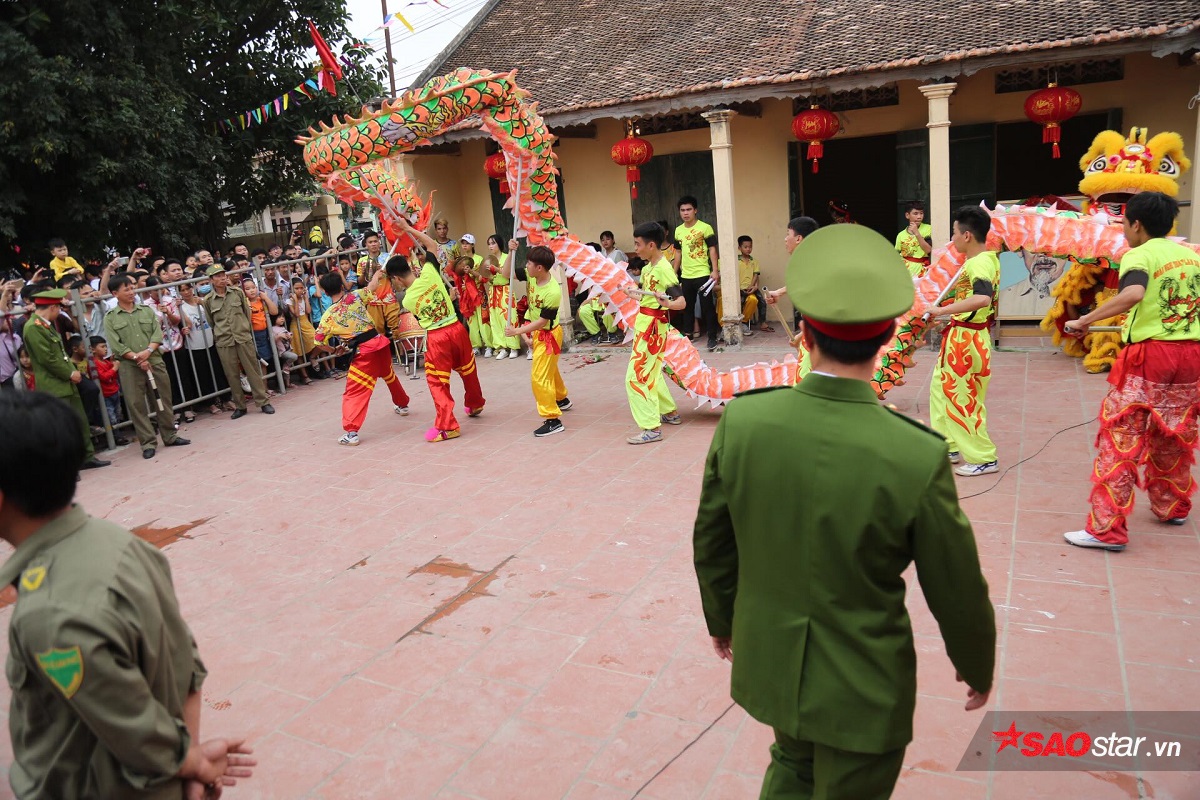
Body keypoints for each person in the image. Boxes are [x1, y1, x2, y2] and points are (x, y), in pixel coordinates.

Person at [692, 224, 995, 800]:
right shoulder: (916, 452)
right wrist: (974, 660)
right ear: (887, 338)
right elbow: (955, 583)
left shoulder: (744, 423)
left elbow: (712, 541)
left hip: (775, 661)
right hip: (864, 681)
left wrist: (723, 620)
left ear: (804, 335)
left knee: (792, 762)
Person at [0, 391, 256, 798]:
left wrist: (193, 764)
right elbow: (184, 665)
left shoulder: (48, 613)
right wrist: (189, 761)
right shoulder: (122, 544)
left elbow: (130, 725)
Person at [1062, 192, 1200, 551]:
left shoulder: (1139, 254)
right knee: (1173, 433)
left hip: (1149, 356)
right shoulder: (1192, 256)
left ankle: (1106, 530)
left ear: (1136, 224)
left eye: (1124, 223)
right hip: (1191, 356)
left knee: (1121, 439)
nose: (1124, 230)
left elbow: (1134, 293)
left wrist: (1086, 320)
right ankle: (1172, 507)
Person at [389, 217, 485, 442]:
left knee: (437, 382)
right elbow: (432, 245)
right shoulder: (430, 272)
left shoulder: (408, 300)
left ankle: (448, 426)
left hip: (437, 336)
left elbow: (425, 316)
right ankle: (475, 403)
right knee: (468, 369)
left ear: (396, 279)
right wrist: (408, 228)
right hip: (456, 328)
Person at [927, 205, 1000, 477]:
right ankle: (948, 445)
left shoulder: (979, 263)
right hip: (963, 335)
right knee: (940, 391)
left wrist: (941, 311)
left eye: (954, 232)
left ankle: (983, 458)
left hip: (966, 341)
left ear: (967, 235)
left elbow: (982, 298)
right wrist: (947, 316)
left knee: (962, 397)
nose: (953, 238)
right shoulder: (982, 260)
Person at [314, 269, 410, 446]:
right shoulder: (355, 296)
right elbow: (372, 286)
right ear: (342, 286)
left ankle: (351, 433)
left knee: (355, 391)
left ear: (325, 293)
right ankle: (402, 405)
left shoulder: (329, 316)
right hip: (379, 343)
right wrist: (377, 275)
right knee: (389, 375)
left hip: (365, 352)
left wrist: (333, 350)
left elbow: (318, 341)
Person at [104, 275, 190, 460]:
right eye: (126, 289)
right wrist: (137, 357)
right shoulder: (110, 318)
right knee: (136, 404)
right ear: (115, 293)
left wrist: (148, 351)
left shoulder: (146, 311)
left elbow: (157, 334)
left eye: (132, 288)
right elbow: (116, 345)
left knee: (163, 399)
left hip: (154, 360)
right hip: (129, 366)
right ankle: (148, 442)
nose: (131, 292)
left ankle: (170, 435)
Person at [22, 289, 109, 469]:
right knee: (61, 426)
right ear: (53, 307)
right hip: (54, 383)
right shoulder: (33, 327)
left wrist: (72, 373)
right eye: (59, 308)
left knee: (79, 421)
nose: (60, 312)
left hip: (67, 381)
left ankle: (86, 456)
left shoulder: (45, 325)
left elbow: (60, 354)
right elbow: (47, 359)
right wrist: (69, 373)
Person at [624, 222, 687, 445]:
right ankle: (669, 412)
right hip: (645, 325)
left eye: (637, 244)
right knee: (651, 371)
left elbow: (680, 302)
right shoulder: (648, 268)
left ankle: (651, 427)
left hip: (652, 329)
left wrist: (667, 303)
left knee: (636, 377)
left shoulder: (663, 269)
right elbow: (646, 297)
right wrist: (632, 293)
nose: (635, 249)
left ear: (651, 245)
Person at [505, 245, 571, 437]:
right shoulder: (530, 274)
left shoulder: (552, 292)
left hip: (549, 336)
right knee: (550, 369)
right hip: (539, 332)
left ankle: (553, 420)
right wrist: (510, 252)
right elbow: (506, 274)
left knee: (539, 377)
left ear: (539, 268)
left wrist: (517, 331)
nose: (526, 266)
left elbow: (542, 321)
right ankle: (561, 398)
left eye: (529, 263)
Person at [202, 265, 274, 418]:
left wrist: (243, 329)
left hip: (242, 337)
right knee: (232, 374)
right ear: (211, 280)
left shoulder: (237, 293)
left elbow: (246, 313)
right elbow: (211, 321)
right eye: (217, 276)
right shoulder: (208, 300)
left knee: (252, 370)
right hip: (224, 341)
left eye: (223, 274)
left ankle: (263, 402)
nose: (222, 278)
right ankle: (240, 406)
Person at [672, 196, 721, 350]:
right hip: (686, 275)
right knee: (687, 306)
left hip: (703, 273)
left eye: (688, 209)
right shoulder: (678, 230)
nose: (685, 213)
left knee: (707, 307)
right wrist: (674, 273)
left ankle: (712, 337)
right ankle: (688, 335)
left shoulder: (705, 228)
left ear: (695, 210)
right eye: (682, 210)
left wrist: (714, 270)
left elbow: (712, 249)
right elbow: (678, 253)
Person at [355, 231, 401, 338]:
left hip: (389, 297)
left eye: (375, 241)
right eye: (370, 242)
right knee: (377, 330)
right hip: (372, 299)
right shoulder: (362, 261)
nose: (373, 244)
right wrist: (366, 272)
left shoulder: (388, 257)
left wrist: (386, 271)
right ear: (366, 244)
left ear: (379, 242)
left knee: (396, 327)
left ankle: (400, 349)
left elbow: (395, 276)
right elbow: (361, 282)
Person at [485, 235, 520, 359]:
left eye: (493, 243)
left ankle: (513, 347)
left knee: (509, 317)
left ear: (499, 244)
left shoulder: (507, 257)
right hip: (493, 291)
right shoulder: (489, 260)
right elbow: (487, 278)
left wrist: (497, 269)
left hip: (505, 290)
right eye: (489, 244)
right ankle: (502, 347)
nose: (490, 246)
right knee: (495, 320)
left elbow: (509, 274)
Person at [896, 200, 934, 278]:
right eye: (915, 213)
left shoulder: (928, 229)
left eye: (921, 213)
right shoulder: (901, 235)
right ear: (907, 215)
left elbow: (928, 250)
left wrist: (917, 233)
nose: (919, 217)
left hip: (922, 270)